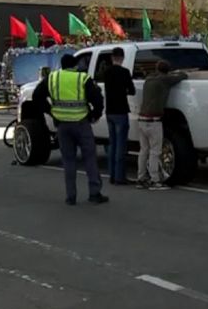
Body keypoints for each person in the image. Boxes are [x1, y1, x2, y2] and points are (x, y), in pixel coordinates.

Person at [32, 54, 108, 205]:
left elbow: (37, 96)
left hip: (62, 125)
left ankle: (71, 196)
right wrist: (94, 114)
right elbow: (98, 99)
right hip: (81, 123)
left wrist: (51, 111)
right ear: (75, 65)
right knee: (90, 158)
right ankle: (94, 193)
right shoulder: (82, 78)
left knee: (68, 161)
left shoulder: (52, 78)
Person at [136, 60, 187, 190]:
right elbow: (182, 76)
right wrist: (180, 73)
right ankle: (155, 180)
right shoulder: (165, 80)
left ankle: (141, 178)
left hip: (142, 120)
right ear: (167, 71)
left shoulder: (149, 79)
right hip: (154, 121)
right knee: (155, 151)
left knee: (143, 151)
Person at [103, 47, 135, 185]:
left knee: (112, 144)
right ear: (122, 58)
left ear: (112, 57)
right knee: (121, 146)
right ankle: (119, 177)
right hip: (121, 111)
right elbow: (132, 90)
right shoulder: (125, 72)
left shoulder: (106, 72)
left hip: (110, 110)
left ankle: (111, 175)